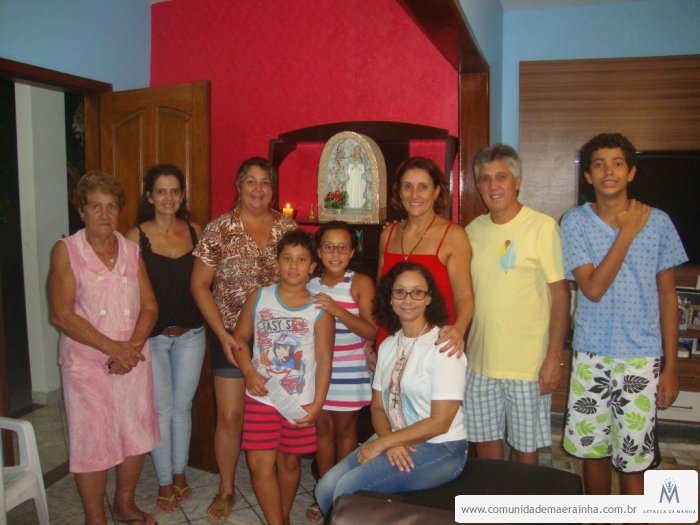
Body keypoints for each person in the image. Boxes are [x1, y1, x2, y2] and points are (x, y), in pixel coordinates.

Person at [561, 133, 687, 495]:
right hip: (591, 355)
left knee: (635, 460)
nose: (608, 172)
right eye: (599, 164)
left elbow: (668, 296)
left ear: (630, 172)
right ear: (588, 175)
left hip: (641, 358)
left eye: (617, 163)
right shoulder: (574, 222)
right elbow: (592, 288)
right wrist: (627, 233)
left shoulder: (658, 222)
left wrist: (671, 367)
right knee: (593, 454)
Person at [314, 261, 468, 518]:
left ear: (429, 298)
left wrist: (384, 443)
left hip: (441, 447)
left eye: (417, 292)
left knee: (347, 490)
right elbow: (377, 406)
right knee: (325, 488)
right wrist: (389, 442)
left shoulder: (443, 347)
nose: (408, 299)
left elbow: (440, 423)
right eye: (400, 292)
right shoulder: (388, 346)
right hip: (394, 435)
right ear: (390, 297)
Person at [48, 172, 159, 525]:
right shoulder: (67, 251)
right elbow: (61, 315)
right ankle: (95, 518)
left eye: (111, 206)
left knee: (135, 434)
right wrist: (115, 349)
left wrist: (131, 350)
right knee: (92, 443)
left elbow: (150, 307)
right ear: (81, 210)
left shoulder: (131, 250)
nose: (104, 214)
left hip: (132, 359)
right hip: (87, 365)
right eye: (95, 206)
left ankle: (124, 504)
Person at [190, 157, 296, 523]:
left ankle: (274, 477)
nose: (258, 189)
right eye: (251, 181)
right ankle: (226, 486)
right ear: (238, 185)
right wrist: (221, 334)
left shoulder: (287, 227)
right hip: (232, 339)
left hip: (279, 340)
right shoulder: (220, 228)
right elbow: (199, 285)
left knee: (277, 411)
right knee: (231, 416)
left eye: (265, 182)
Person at [464, 144, 569, 465]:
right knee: (485, 446)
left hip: (528, 366)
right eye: (485, 179)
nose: (493, 186)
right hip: (480, 363)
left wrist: (554, 357)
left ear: (517, 182)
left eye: (501, 177)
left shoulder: (542, 227)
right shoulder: (472, 231)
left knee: (525, 450)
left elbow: (561, 295)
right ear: (478, 185)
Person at [232, 229, 335, 525]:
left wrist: (317, 404)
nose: (293, 266)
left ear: (312, 266)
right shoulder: (260, 297)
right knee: (258, 464)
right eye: (287, 258)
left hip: (299, 401)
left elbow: (325, 360)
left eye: (301, 259)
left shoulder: (320, 309)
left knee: (289, 462)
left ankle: (282, 517)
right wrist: (248, 372)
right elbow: (239, 340)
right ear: (277, 262)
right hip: (262, 396)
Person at [125, 165, 204, 513]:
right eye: (161, 191)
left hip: (191, 335)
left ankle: (179, 472)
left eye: (175, 191)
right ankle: (163, 481)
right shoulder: (135, 236)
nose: (169, 198)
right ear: (149, 196)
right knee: (161, 409)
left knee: (182, 407)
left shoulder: (196, 231)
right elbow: (126, 290)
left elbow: (207, 283)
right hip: (153, 339)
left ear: (182, 195)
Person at [306, 221, 378, 521]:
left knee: (346, 431)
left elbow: (372, 330)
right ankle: (323, 492)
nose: (335, 253)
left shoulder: (360, 282)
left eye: (342, 247)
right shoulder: (309, 282)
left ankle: (342, 494)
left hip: (349, 368)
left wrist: (337, 310)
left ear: (351, 252)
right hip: (318, 369)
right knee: (322, 430)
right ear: (319, 251)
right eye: (328, 247)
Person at [377, 157, 473, 354]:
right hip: (390, 341)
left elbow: (464, 296)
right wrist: (373, 342)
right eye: (407, 187)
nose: (414, 195)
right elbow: (381, 295)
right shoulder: (388, 234)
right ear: (399, 192)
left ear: (436, 191)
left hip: (436, 344)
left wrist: (459, 329)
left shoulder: (453, 236)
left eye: (423, 187)